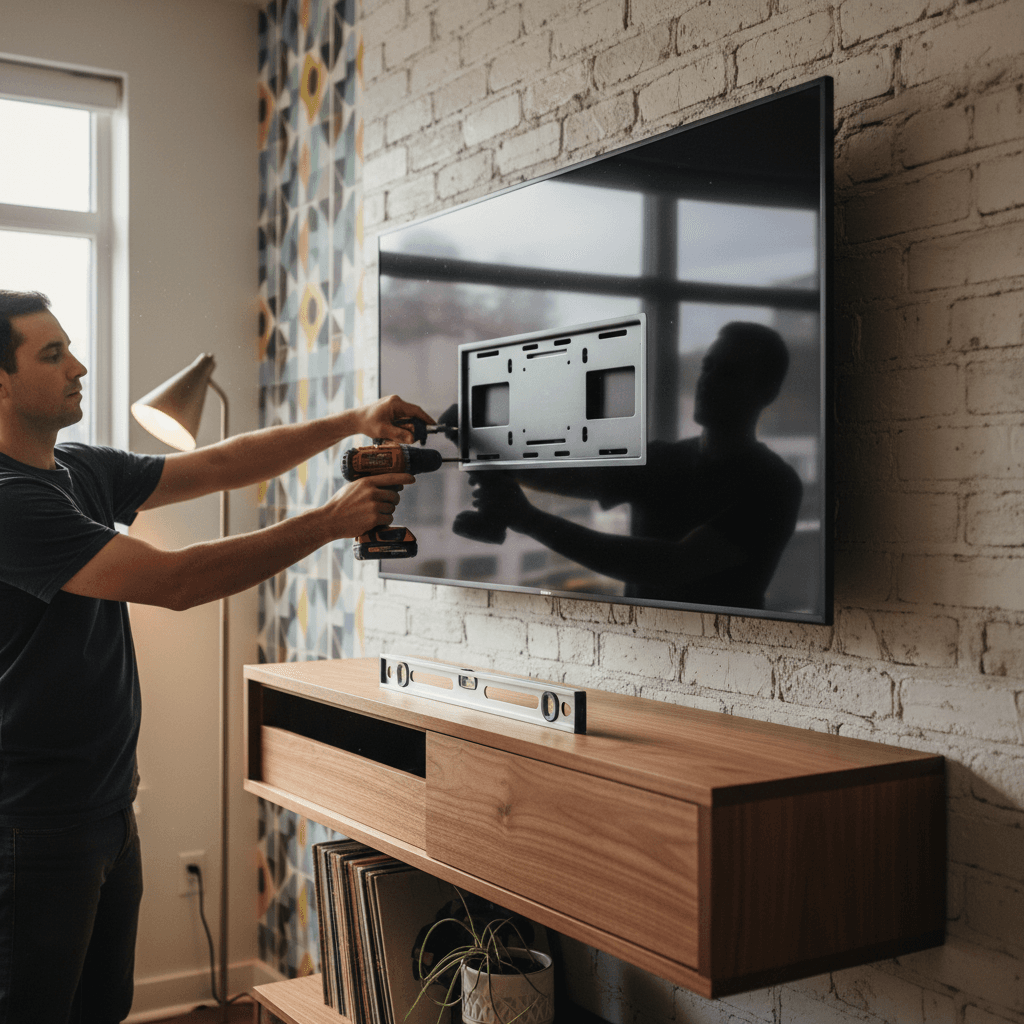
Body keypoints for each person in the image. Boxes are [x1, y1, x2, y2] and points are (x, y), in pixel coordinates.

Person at [0, 290, 430, 1023]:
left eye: (71, 346)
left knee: (101, 1010)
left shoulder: (77, 470)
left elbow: (220, 464)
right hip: (33, 827)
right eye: (51, 354)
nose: (77, 365)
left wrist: (351, 422)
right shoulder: (9, 499)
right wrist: (329, 521)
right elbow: (177, 581)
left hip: (105, 809)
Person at [458, 321, 803, 610]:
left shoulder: (773, 484)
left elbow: (672, 565)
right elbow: (566, 476)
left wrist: (526, 518)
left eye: (728, 373)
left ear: (766, 392)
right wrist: (479, 441)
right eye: (707, 366)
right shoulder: (664, 459)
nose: (707, 380)